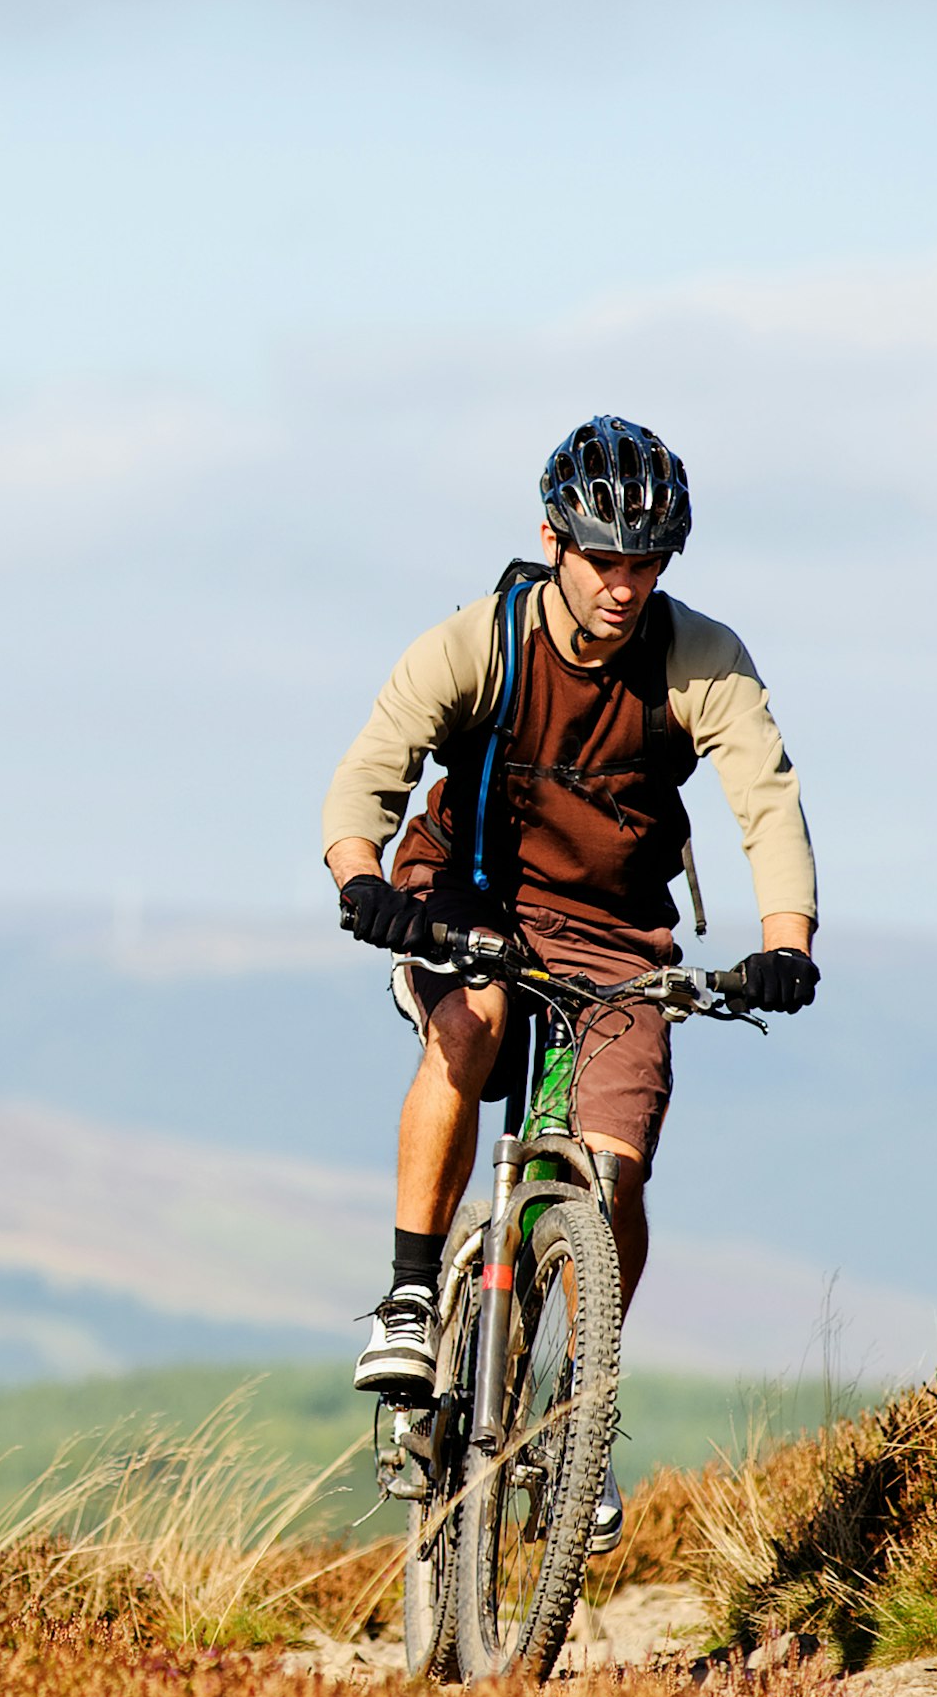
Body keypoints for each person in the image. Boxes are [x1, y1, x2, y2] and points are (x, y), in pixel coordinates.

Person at [316, 416, 819, 1551]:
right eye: (605, 559)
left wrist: (785, 941)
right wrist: (364, 882)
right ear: (553, 540)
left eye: (648, 564)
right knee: (476, 1018)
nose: (627, 587)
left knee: (617, 1174)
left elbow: (766, 797)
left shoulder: (701, 658)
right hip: (472, 898)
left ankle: (575, 1413)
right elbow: (369, 776)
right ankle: (407, 1296)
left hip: (614, 935)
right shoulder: (477, 642)